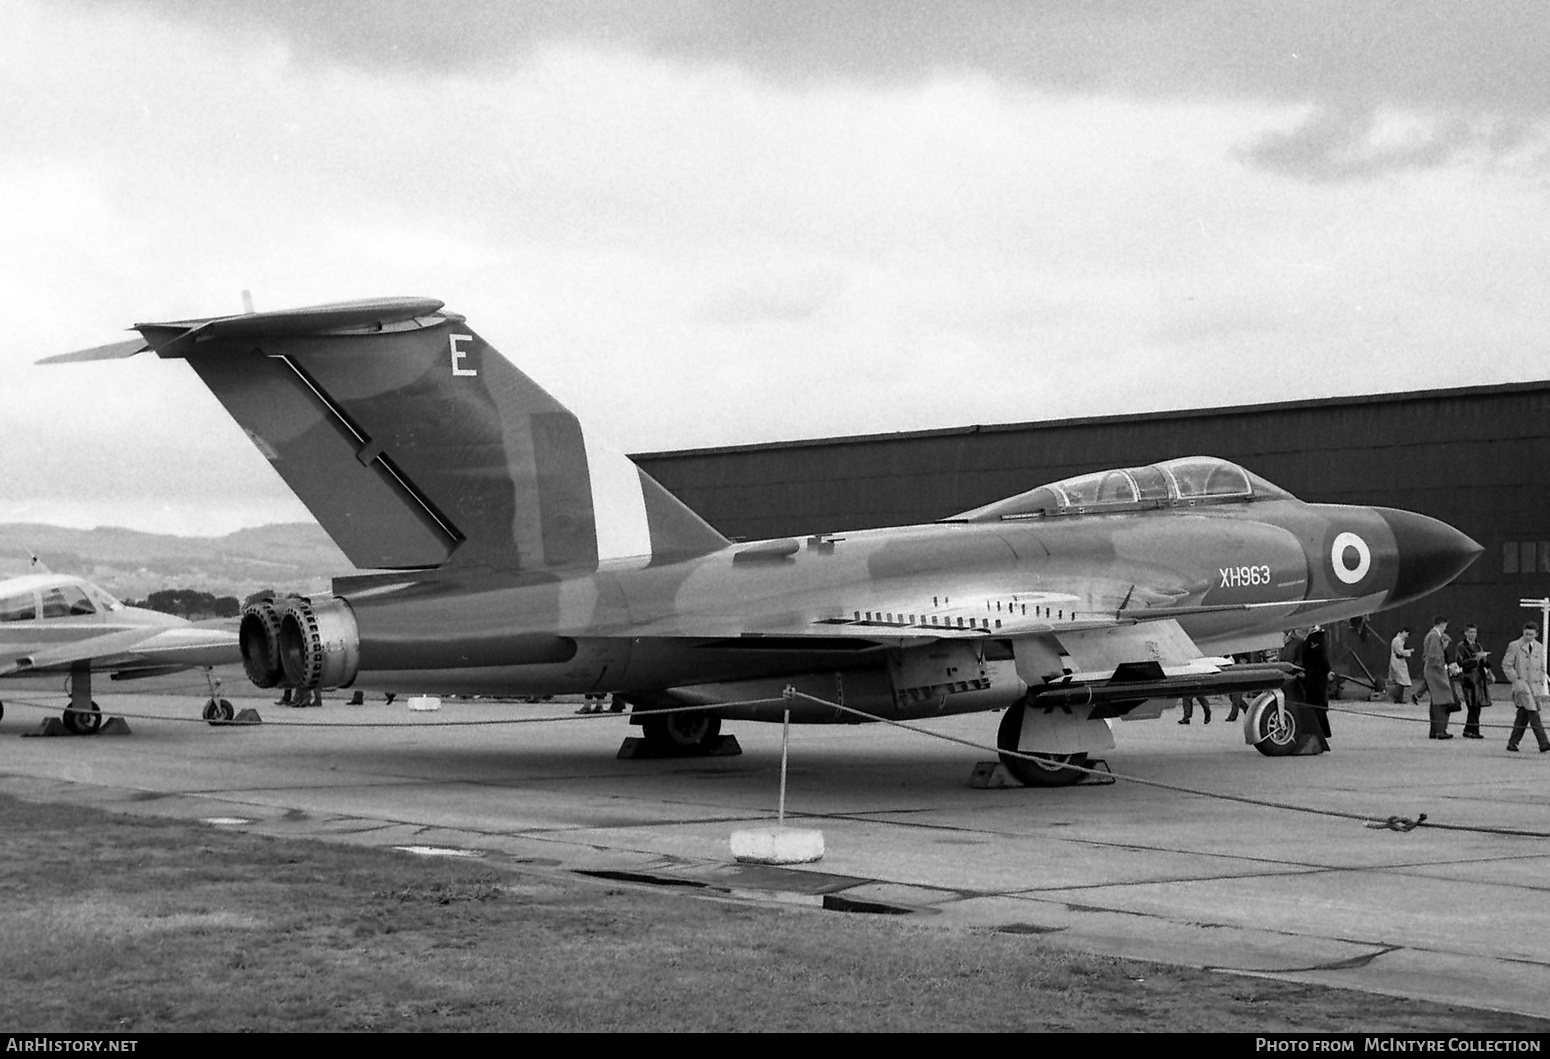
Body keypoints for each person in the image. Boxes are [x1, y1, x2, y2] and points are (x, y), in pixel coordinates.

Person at [1501, 621, 1550, 753]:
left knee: (1523, 715)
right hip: (1522, 685)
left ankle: (1513, 743)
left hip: (1535, 687)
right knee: (1533, 714)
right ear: (1523, 632)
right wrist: (1516, 680)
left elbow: (1541, 666)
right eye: (1526, 634)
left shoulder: (1539, 647)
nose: (1528, 637)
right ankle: (1544, 742)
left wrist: (1541, 681)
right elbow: (1507, 665)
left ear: (1536, 634)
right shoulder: (1514, 645)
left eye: (1531, 634)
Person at [1450, 623, 1492, 739]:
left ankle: (1469, 729)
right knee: (1472, 705)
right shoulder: (1461, 646)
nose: (1473, 635)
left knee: (1478, 705)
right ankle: (1472, 730)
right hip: (1468, 678)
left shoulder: (1478, 646)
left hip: (1479, 678)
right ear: (1466, 633)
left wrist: (1484, 660)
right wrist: (1475, 659)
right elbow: (1460, 662)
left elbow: (1485, 664)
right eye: (1470, 632)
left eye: (1474, 632)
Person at [1422, 615, 1456, 739]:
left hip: (1431, 670)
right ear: (1442, 624)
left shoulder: (1430, 635)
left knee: (1436, 701)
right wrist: (1444, 668)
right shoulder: (1435, 636)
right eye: (1445, 626)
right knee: (1441, 701)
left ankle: (1434, 730)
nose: (1445, 629)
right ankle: (1440, 731)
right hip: (1436, 672)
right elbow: (1434, 657)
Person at [1302, 625, 1332, 739]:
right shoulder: (1318, 639)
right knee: (1319, 704)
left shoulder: (1311, 640)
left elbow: (1315, 657)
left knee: (1314, 703)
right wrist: (1328, 670)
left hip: (1312, 677)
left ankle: (1316, 730)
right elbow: (1322, 657)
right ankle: (1322, 731)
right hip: (1318, 677)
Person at [1388, 627, 1414, 704]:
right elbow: (1399, 652)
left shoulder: (1400, 640)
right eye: (1407, 634)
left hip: (1399, 661)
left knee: (1401, 681)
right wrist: (1409, 651)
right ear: (1403, 632)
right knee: (1401, 680)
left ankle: (1398, 698)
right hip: (1397, 661)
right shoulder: (1397, 640)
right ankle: (1394, 694)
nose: (1407, 636)